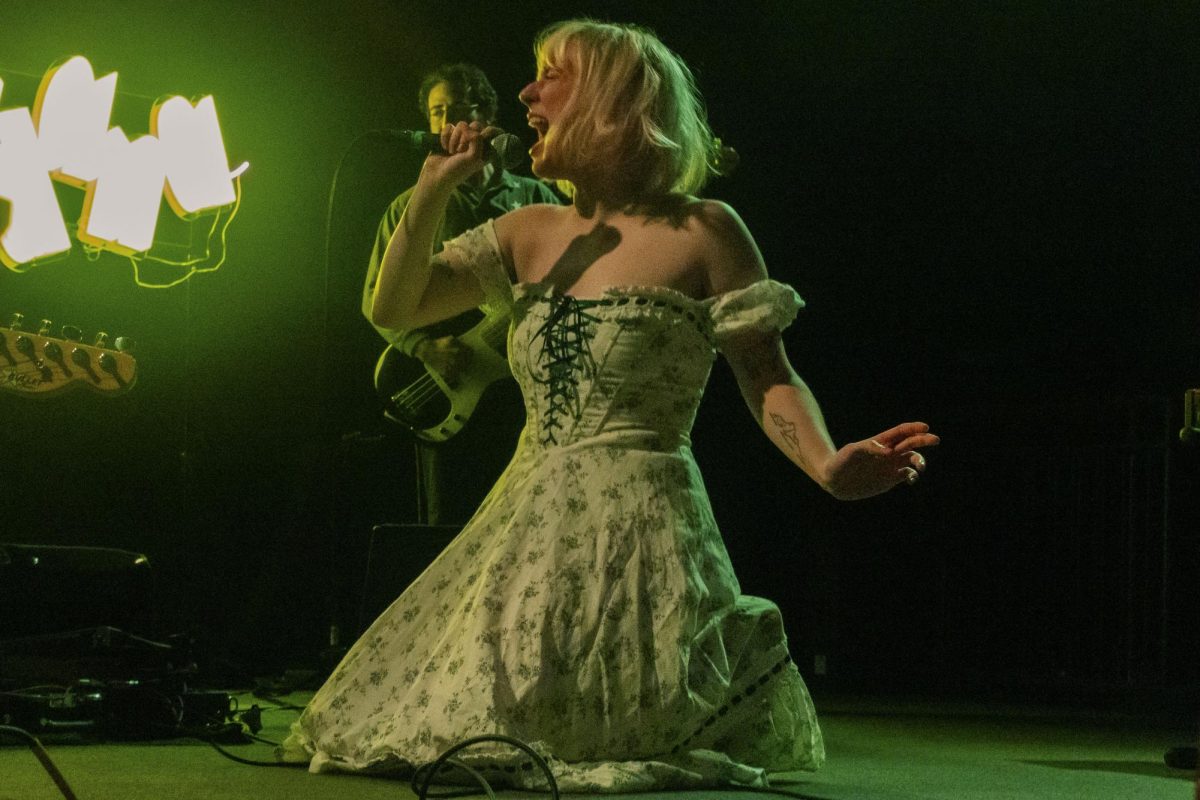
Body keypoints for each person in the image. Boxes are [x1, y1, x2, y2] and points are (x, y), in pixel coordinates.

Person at [285, 19, 939, 791]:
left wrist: (828, 464)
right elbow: (394, 309)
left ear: (614, 99)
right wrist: (432, 191)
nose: (525, 93)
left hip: (645, 524)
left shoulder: (705, 230)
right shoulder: (526, 231)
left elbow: (766, 375)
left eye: (549, 75)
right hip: (527, 518)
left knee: (626, 726)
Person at [362, 62, 562, 525]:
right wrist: (424, 346)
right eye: (437, 112)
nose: (447, 120)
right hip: (453, 389)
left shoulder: (537, 197)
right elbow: (378, 298)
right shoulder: (410, 207)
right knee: (450, 521)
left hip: (523, 392)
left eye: (458, 108)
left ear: (485, 112)